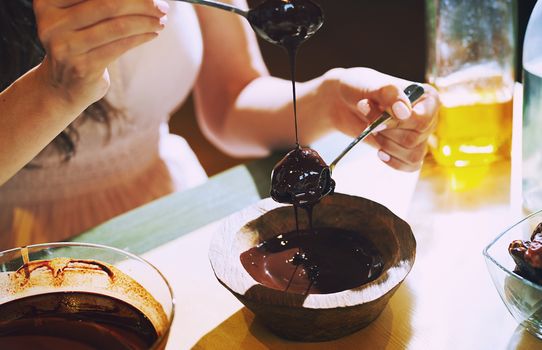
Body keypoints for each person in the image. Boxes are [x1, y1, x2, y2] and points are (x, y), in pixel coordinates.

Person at [0, 0, 439, 250]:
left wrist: (330, 97)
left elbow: (231, 96)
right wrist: (52, 91)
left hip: (173, 212)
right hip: (20, 252)